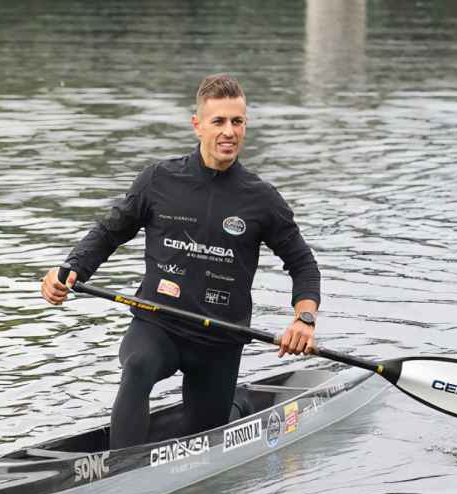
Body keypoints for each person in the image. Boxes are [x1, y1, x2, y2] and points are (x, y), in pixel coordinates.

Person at [40, 74, 320, 449]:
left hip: (219, 340)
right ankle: (123, 468)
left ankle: (239, 405)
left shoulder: (262, 199)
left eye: (237, 121)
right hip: (158, 325)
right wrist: (69, 270)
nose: (229, 131)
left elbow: (303, 264)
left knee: (205, 430)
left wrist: (304, 320)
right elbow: (109, 232)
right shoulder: (158, 180)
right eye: (218, 121)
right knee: (138, 367)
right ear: (197, 125)